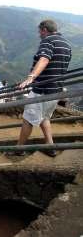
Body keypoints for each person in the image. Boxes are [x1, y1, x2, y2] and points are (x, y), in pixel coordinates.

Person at [12, 19, 72, 157]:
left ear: (44, 29)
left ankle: (19, 149)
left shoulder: (48, 41)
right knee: (44, 118)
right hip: (55, 90)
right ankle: (50, 147)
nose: (39, 34)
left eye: (39, 31)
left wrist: (31, 77)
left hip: (42, 89)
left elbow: (44, 59)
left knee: (28, 119)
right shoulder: (66, 44)